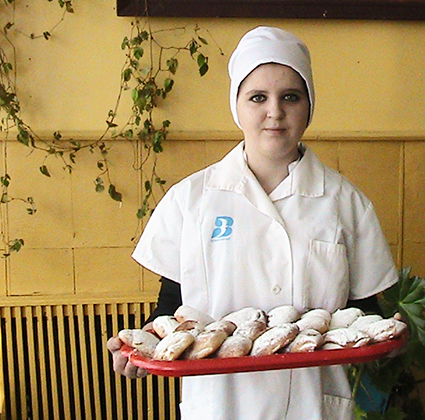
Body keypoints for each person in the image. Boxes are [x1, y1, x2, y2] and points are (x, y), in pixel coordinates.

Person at [107, 26, 398, 420]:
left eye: (291, 97)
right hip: (221, 404)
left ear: (309, 105)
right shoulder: (190, 200)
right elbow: (172, 309)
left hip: (312, 404)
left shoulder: (346, 203)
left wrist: (386, 337)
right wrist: (142, 347)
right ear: (237, 105)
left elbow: (361, 314)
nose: (274, 111)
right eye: (257, 97)